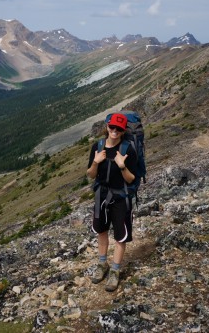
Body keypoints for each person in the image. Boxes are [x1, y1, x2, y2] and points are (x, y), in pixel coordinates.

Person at [86, 112, 138, 292]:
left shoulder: (127, 149)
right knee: (101, 230)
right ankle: (102, 264)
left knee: (120, 236)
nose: (114, 131)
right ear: (106, 127)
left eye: (119, 129)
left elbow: (131, 179)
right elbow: (91, 175)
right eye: (112, 127)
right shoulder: (97, 146)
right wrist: (95, 162)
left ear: (123, 131)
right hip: (101, 195)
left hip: (121, 198)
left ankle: (115, 270)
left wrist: (122, 165)